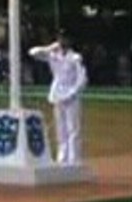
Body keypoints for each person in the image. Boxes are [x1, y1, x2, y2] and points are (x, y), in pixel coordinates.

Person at [29, 32, 88, 165]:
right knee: (60, 129)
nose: (62, 41)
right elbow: (33, 53)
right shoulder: (53, 55)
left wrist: (73, 93)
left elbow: (82, 78)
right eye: (60, 39)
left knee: (73, 129)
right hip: (57, 95)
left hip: (71, 96)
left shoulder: (75, 57)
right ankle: (62, 158)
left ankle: (74, 160)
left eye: (64, 39)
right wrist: (49, 47)